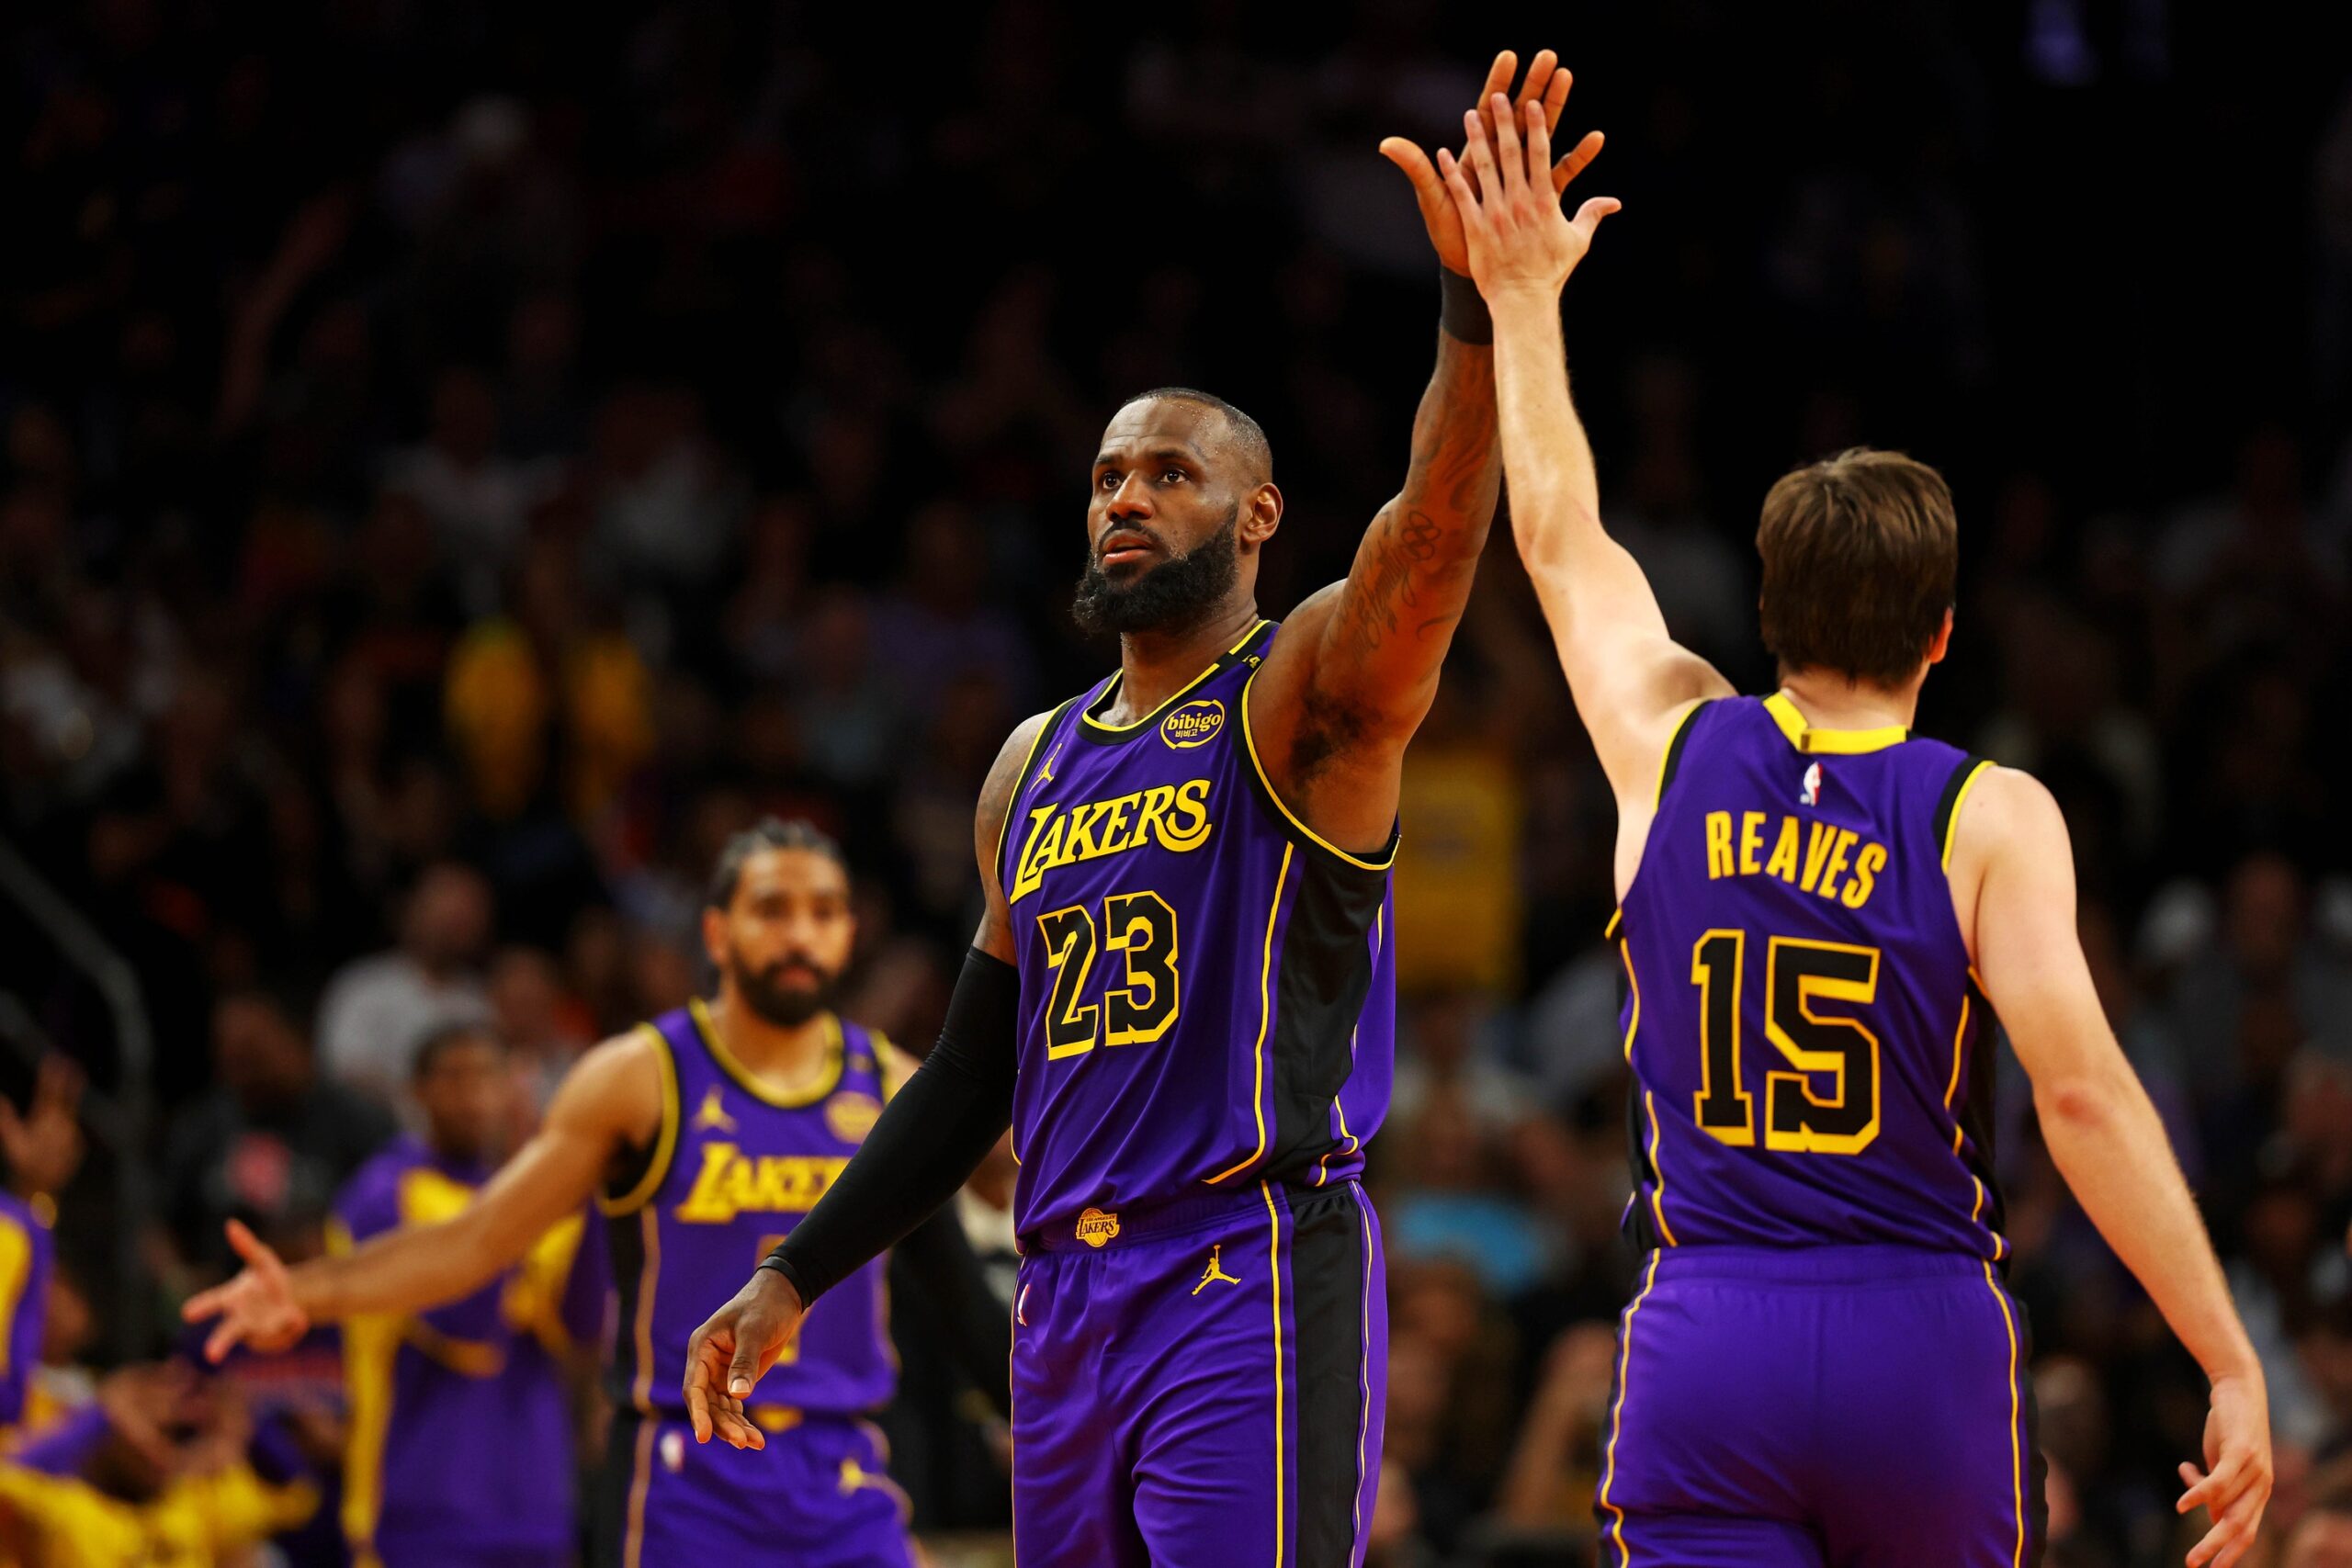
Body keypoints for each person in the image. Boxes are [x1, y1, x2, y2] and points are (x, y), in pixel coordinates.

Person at [680, 48, 1608, 1568]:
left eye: (1170, 472)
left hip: (1244, 1265)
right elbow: (971, 1074)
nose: (1123, 494)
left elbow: (1435, 537)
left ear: (1256, 516)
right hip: (1063, 1300)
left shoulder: (1297, 693)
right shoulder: (1028, 763)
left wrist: (1475, 309)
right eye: (1109, 472)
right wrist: (796, 1268)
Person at [1438, 93, 2272, 1567]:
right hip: (1919, 1332)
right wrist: (2227, 1353)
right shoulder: (1989, 811)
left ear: (1762, 613)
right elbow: (2079, 1102)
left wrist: (1521, 294)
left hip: (1709, 1332)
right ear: (1946, 633)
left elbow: (1560, 533)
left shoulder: (1670, 742)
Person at [181, 819, 1009, 1568]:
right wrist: (308, 1290)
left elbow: (988, 1243)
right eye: (772, 908)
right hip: (686, 1477)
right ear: (716, 932)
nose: (800, 932)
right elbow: (477, 1239)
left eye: (824, 911)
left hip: (842, 1470)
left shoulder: (898, 1084)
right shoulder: (639, 1077)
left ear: (850, 933)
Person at [330, 1022, 599, 1568]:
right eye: (454, 1078)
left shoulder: (534, 1194)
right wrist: (527, 1184)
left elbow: (583, 1322)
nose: (472, 1095)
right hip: (416, 1508)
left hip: (534, 1509)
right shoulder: (383, 1195)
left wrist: (594, 1187)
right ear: (418, 1092)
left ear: (510, 1088)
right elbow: (466, 1329)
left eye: (486, 1076)